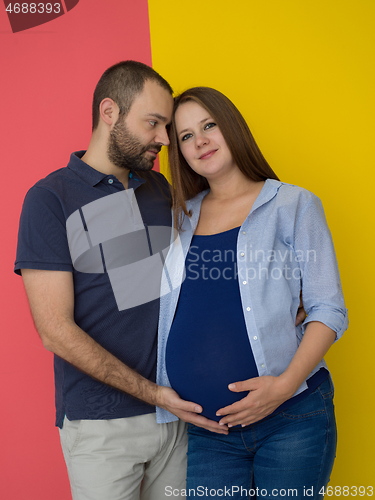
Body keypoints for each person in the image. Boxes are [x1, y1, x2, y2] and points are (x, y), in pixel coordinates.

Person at [14, 62, 226, 500]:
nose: (165, 140)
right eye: (153, 123)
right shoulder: (50, 199)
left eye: (168, 127)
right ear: (109, 111)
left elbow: (193, 282)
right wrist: (153, 393)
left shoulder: (159, 188)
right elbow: (55, 330)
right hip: (101, 426)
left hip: (177, 417)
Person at [156, 87, 348, 499]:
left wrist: (282, 387)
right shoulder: (179, 219)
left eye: (209, 126)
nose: (201, 141)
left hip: (291, 418)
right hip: (210, 432)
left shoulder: (293, 205)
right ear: (179, 152)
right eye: (186, 136)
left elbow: (328, 309)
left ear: (233, 128)